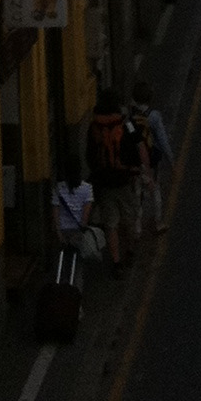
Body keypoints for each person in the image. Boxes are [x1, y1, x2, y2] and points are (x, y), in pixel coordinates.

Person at [87, 87, 143, 276]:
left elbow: (89, 156)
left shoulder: (94, 127)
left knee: (110, 223)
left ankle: (116, 262)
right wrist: (136, 170)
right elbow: (136, 148)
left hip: (104, 183)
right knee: (129, 218)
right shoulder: (125, 124)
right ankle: (131, 251)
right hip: (124, 180)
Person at [132, 84, 173, 235]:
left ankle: (137, 228)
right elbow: (162, 141)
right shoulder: (154, 116)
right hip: (151, 160)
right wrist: (171, 161)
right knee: (154, 190)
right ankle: (158, 222)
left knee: (137, 194)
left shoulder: (130, 115)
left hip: (135, 161)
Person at [52, 155, 94, 256]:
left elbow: (55, 211)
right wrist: (81, 231)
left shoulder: (58, 189)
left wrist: (58, 233)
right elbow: (86, 214)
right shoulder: (87, 188)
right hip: (78, 230)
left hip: (63, 229)